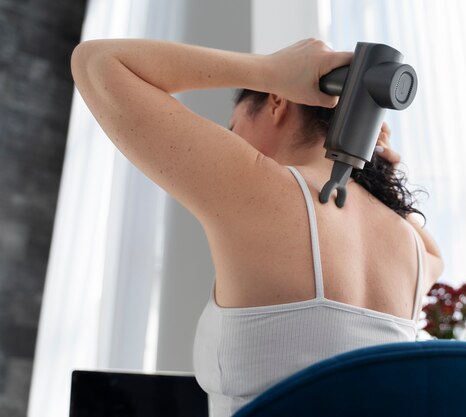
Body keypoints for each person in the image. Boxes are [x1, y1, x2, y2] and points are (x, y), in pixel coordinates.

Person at [71, 38, 444, 416]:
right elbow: (434, 255)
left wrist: (270, 71)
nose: (232, 139)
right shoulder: (411, 248)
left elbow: (97, 62)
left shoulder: (261, 187)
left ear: (276, 101)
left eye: (233, 126)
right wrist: (375, 174)